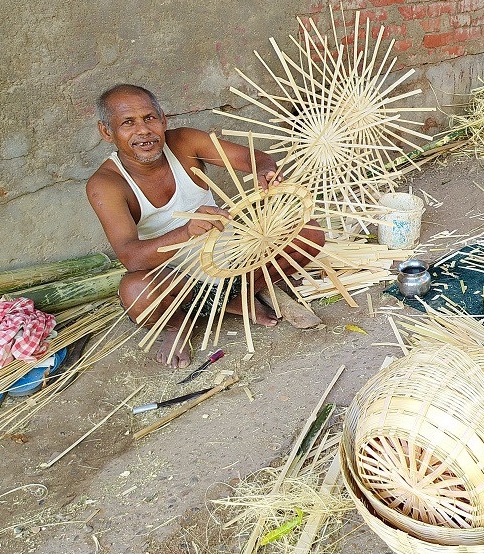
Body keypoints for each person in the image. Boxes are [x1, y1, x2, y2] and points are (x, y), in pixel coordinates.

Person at [86, 84, 322, 368]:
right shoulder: (106, 184)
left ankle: (240, 295)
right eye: (127, 123)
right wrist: (186, 232)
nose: (143, 131)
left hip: (236, 256)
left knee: (308, 232)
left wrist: (264, 170)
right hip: (177, 275)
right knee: (135, 292)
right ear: (106, 132)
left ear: (164, 119)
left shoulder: (185, 142)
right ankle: (179, 324)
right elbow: (131, 258)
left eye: (149, 118)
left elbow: (251, 156)